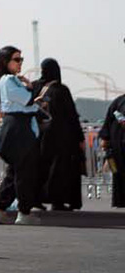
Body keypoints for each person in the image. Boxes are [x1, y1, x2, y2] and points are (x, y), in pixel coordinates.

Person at [0, 44, 43, 224]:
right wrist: (31, 88)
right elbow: (27, 100)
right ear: (5, 61)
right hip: (19, 129)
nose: (20, 63)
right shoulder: (8, 80)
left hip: (18, 128)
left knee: (15, 172)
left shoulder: (10, 80)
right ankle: (24, 212)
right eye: (16, 59)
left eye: (21, 59)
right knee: (24, 172)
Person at [34, 59, 84, 212]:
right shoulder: (61, 90)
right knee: (61, 169)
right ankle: (58, 201)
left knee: (41, 167)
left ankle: (37, 199)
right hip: (62, 137)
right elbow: (71, 115)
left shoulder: (36, 87)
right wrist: (80, 137)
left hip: (40, 135)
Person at [101, 88, 125, 209]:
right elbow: (109, 120)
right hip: (117, 145)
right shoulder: (119, 102)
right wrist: (105, 139)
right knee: (117, 172)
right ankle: (120, 200)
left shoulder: (119, 102)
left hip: (118, 143)